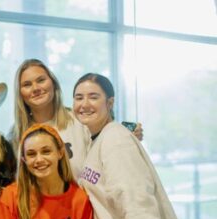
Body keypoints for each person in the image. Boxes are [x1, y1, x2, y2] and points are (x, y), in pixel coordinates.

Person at [72, 73, 184, 219]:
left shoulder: (116, 139)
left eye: (93, 97)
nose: (84, 104)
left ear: (110, 102)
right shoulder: (98, 140)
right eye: (78, 97)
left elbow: (137, 201)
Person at [13, 59, 143, 178]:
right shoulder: (15, 135)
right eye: (27, 84)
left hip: (85, 202)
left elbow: (109, 131)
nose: (36, 88)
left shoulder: (80, 119)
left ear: (53, 84)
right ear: (20, 93)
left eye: (41, 80)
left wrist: (128, 130)